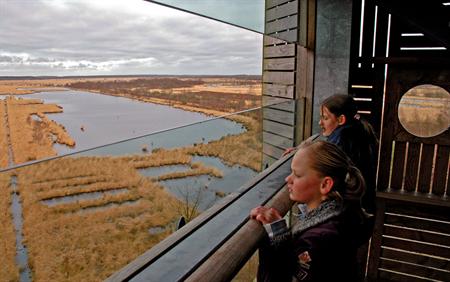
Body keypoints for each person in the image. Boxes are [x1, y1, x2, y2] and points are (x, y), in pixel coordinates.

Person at [251, 140, 370, 281]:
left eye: (297, 175)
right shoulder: (343, 213)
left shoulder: (319, 240)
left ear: (325, 184)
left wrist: (278, 234)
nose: (288, 179)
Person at [284, 94, 378, 214]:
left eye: (325, 118)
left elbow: (326, 161)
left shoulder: (343, 139)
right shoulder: (358, 130)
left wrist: (302, 155)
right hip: (362, 205)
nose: (320, 122)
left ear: (341, 120)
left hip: (347, 209)